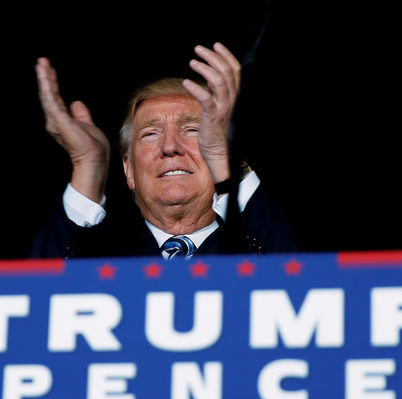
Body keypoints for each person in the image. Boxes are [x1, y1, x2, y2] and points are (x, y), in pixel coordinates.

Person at [30, 42, 294, 259]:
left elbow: (298, 282)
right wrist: (88, 165)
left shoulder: (259, 245)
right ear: (129, 170)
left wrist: (230, 164)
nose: (169, 147)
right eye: (150, 134)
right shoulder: (100, 258)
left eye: (191, 130)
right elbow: (38, 305)